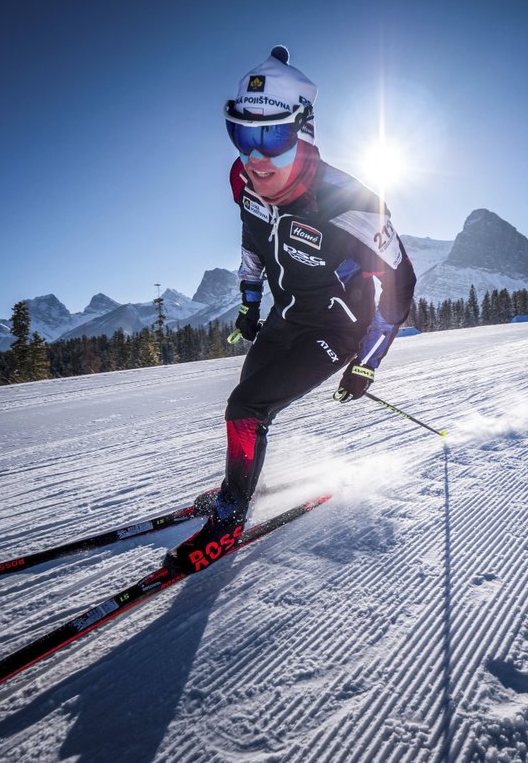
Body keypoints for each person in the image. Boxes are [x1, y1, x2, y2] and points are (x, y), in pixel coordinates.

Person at [164, 46, 416, 575]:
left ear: (304, 133)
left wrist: (366, 363)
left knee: (246, 405)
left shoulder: (352, 205)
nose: (255, 158)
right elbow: (252, 245)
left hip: (336, 330)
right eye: (241, 134)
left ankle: (230, 521)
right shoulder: (243, 183)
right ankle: (239, 485)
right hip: (286, 316)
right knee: (252, 402)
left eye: (272, 136)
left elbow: (399, 290)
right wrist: (249, 309)